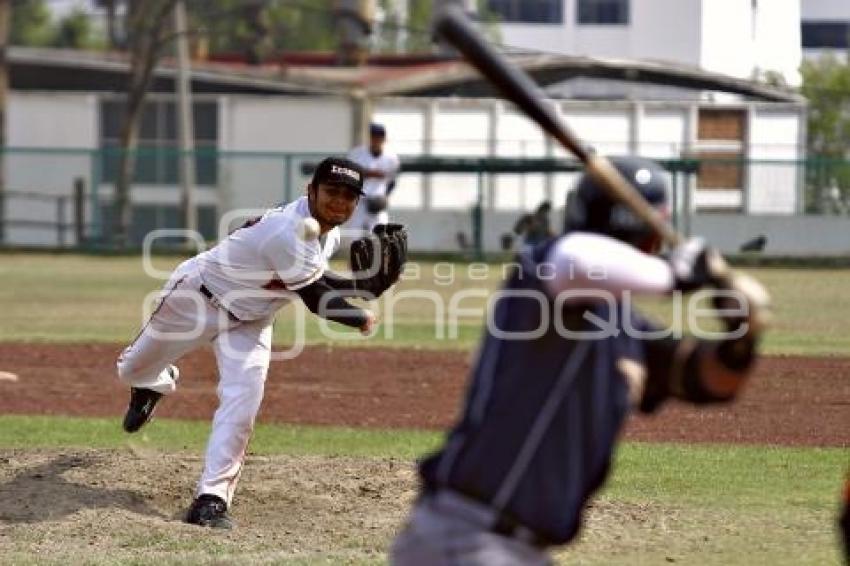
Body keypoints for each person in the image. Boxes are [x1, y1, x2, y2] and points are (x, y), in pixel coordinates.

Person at [390, 156, 770, 565]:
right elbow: (577, 259)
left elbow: (710, 382)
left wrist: (741, 338)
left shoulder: (626, 329)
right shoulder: (540, 277)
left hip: (512, 549)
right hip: (469, 538)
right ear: (653, 240)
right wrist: (676, 274)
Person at [116, 156, 407, 530]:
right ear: (311, 191)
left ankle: (211, 500)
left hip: (251, 320)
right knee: (130, 369)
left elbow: (315, 277)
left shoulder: (327, 232)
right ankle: (151, 383)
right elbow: (317, 298)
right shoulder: (287, 230)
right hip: (197, 299)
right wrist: (361, 311)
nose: (340, 202)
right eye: (332, 191)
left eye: (350, 196)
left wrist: (364, 286)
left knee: (243, 399)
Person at [346, 122, 401, 235]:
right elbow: (348, 175)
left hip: (377, 201)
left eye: (380, 136)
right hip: (359, 201)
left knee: (380, 236)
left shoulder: (391, 158)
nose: (377, 139)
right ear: (370, 137)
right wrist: (366, 174)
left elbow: (392, 181)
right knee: (354, 235)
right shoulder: (357, 154)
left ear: (384, 138)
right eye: (374, 135)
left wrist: (386, 197)